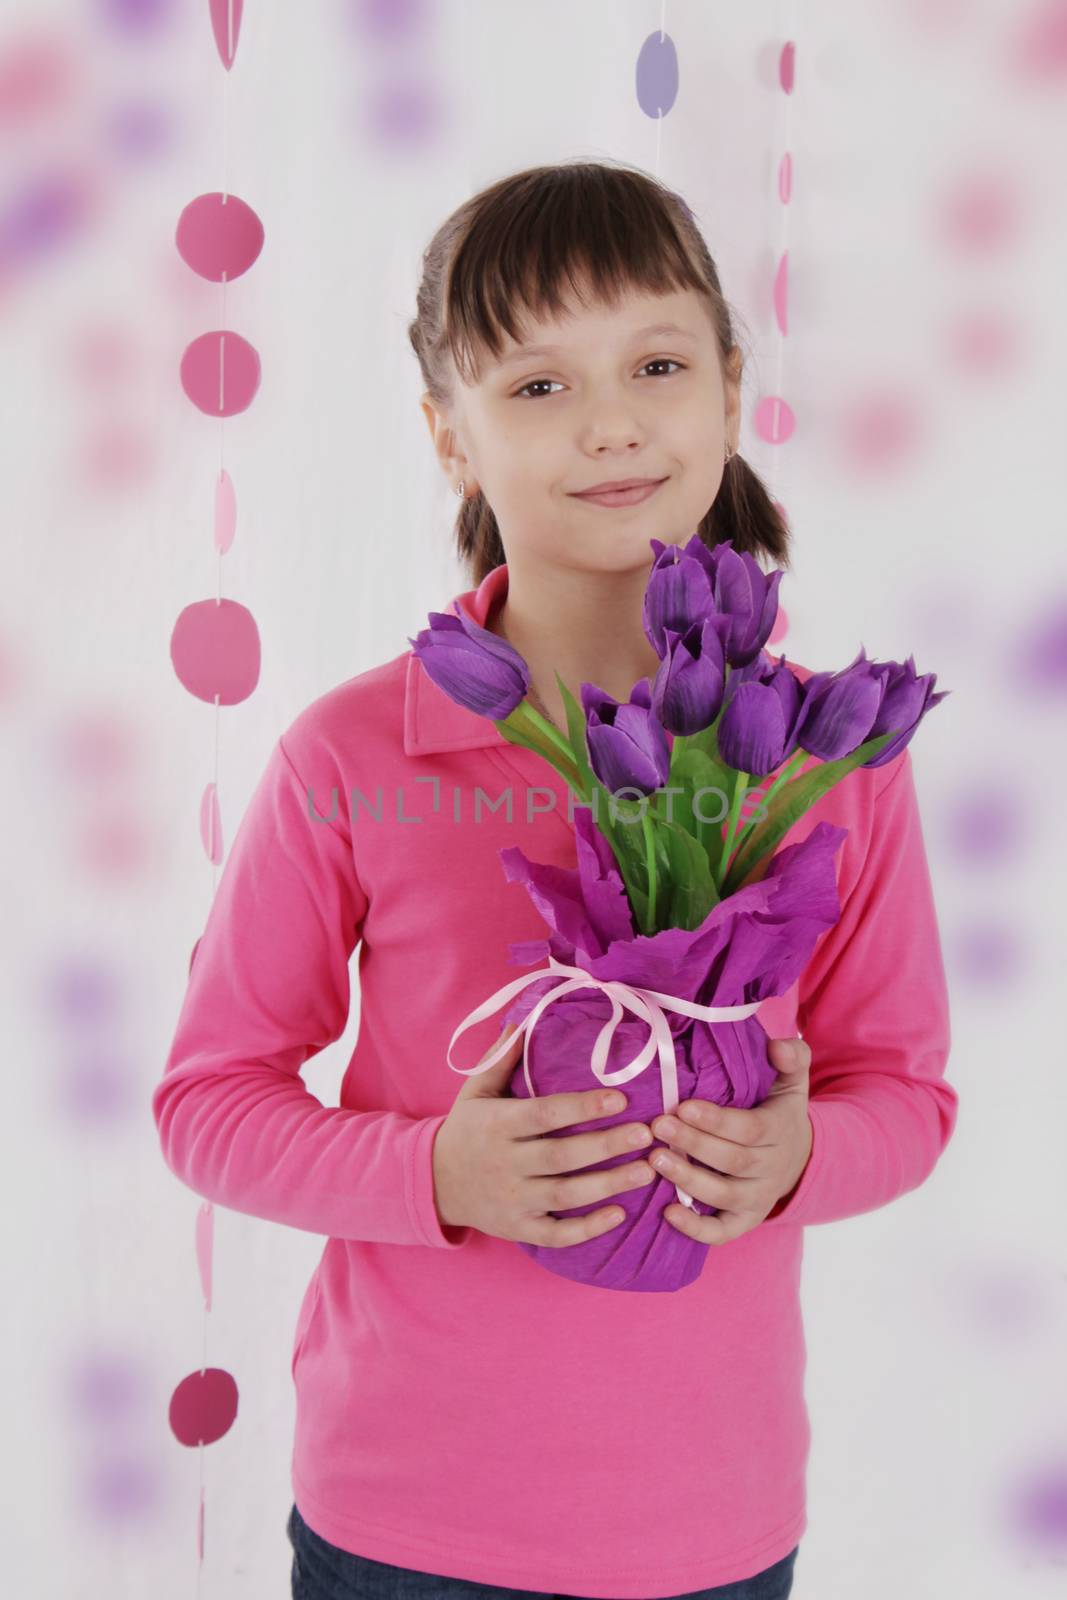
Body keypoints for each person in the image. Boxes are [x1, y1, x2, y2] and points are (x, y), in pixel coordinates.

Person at [152, 159, 958, 1600]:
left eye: (657, 363)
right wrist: (433, 1173)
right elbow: (209, 1104)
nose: (610, 424)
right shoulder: (352, 751)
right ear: (447, 437)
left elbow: (905, 1090)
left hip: (711, 1526)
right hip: (402, 1526)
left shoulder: (832, 755)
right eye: (534, 387)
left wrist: (798, 1160)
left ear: (727, 387)